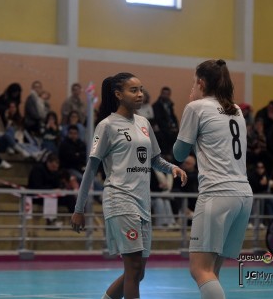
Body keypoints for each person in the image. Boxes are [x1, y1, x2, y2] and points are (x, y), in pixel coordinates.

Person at [70, 72, 187, 299]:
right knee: (132, 269)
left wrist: (171, 167)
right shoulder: (106, 126)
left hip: (143, 202)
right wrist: (78, 208)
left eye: (141, 89)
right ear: (118, 94)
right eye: (133, 90)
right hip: (120, 199)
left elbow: (154, 159)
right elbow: (91, 169)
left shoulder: (144, 123)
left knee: (138, 272)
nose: (140, 94)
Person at [173, 59, 253, 299]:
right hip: (243, 195)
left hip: (217, 194)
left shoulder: (196, 108)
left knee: (199, 269)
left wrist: (189, 109)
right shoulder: (236, 110)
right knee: (212, 271)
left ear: (201, 82)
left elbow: (178, 153)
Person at [152, 86, 179, 155]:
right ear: (161, 94)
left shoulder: (170, 105)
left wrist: (176, 126)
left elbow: (173, 117)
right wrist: (170, 128)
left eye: (167, 94)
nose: (166, 96)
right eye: (164, 93)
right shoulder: (156, 105)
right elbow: (159, 120)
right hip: (163, 129)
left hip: (171, 127)